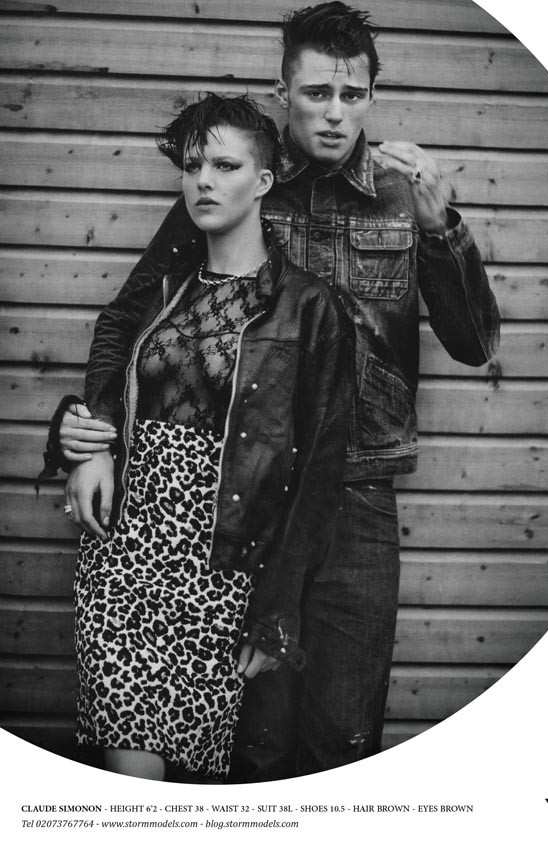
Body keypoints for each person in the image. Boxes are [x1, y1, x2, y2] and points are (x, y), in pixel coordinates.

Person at [50, 2, 500, 780]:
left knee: (343, 734)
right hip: (252, 490)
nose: (335, 113)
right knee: (253, 740)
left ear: (372, 96)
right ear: (284, 90)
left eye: (353, 95)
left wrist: (442, 229)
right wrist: (96, 430)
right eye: (317, 92)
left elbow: (476, 344)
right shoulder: (242, 182)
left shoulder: (401, 196)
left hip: (358, 491)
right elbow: (136, 317)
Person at [40, 92, 353, 782]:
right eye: (191, 166)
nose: (203, 181)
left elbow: (319, 472)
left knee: (197, 778)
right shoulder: (162, 291)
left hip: (220, 565)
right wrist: (92, 445)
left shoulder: (309, 306)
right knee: (130, 761)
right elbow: (117, 375)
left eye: (224, 165)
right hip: (124, 554)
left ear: (264, 181)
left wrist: (278, 609)